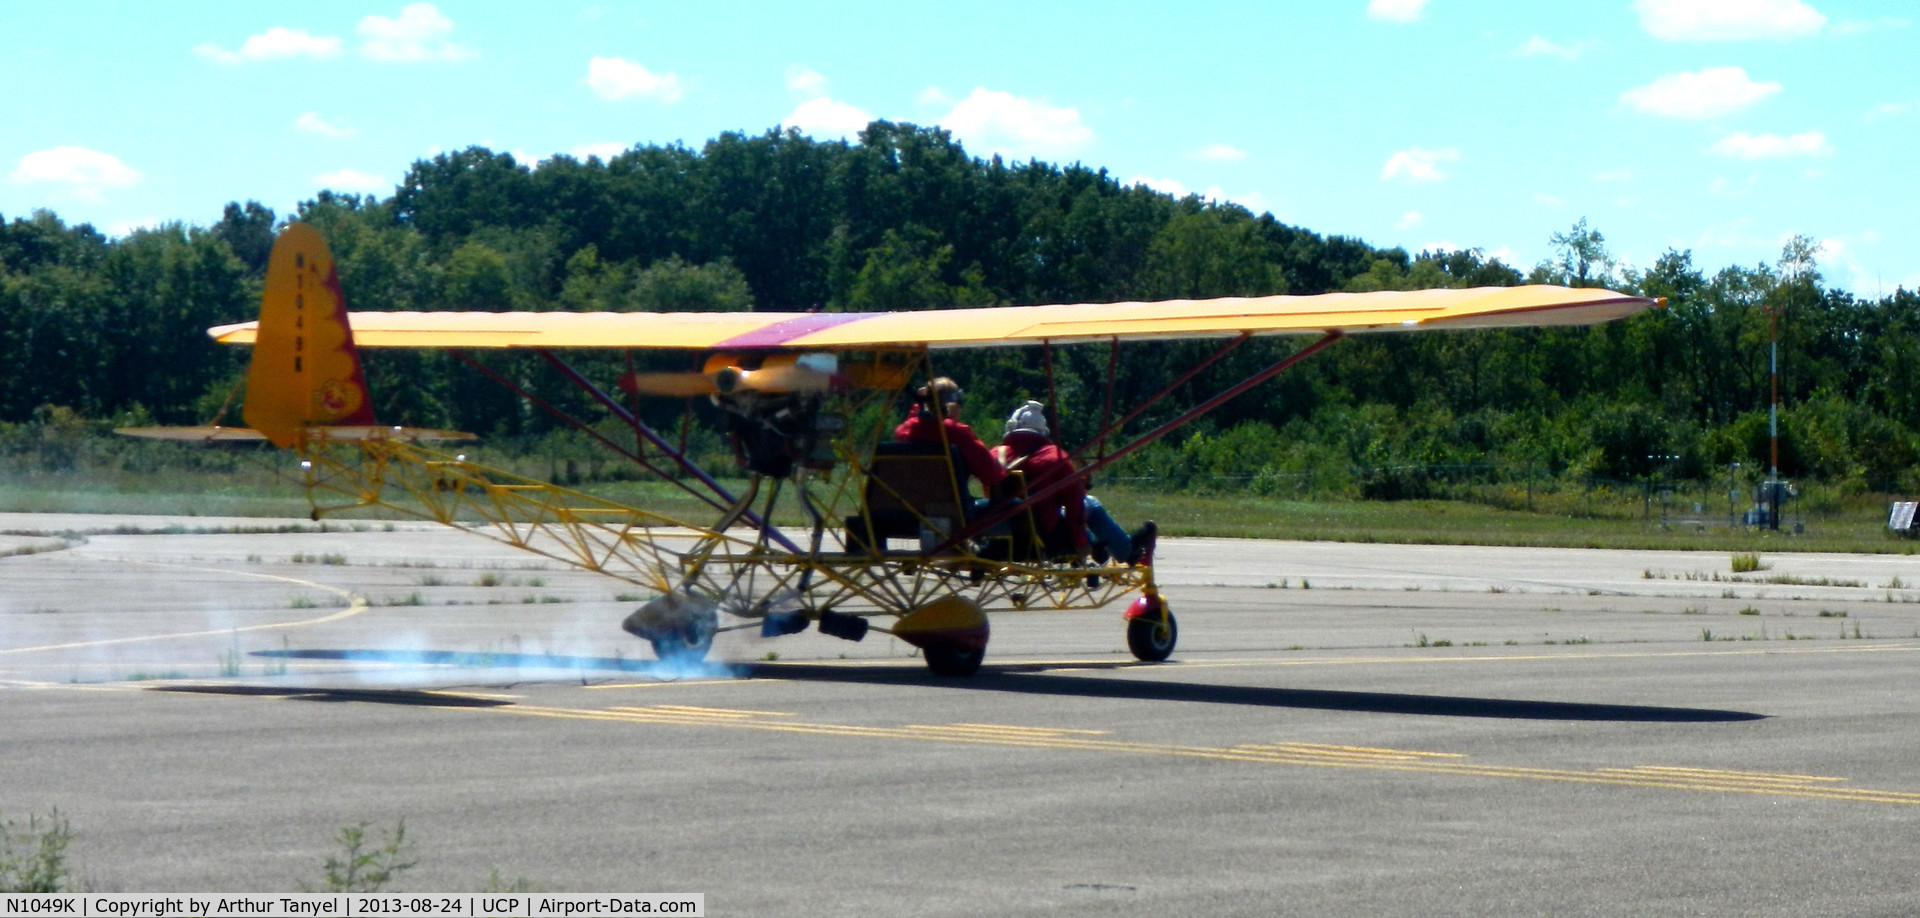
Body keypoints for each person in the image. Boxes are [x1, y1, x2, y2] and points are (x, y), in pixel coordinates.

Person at [995, 400, 1156, 565]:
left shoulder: (997, 456)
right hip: (1046, 536)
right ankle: (1125, 551)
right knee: (1090, 503)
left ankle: (1097, 546)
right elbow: (1075, 503)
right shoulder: (1054, 457)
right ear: (1043, 430)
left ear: (1011, 426)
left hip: (1003, 534)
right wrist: (1081, 544)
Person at [893, 376, 1008, 499]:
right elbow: (991, 477)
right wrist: (1000, 459)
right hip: (951, 511)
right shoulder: (958, 432)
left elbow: (917, 421)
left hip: (910, 507)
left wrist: (919, 404)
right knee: (1015, 504)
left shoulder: (903, 431)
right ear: (952, 403)